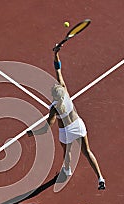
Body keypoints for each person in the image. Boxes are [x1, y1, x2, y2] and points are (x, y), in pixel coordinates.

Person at [27, 46, 106, 190]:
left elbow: (46, 128)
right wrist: (56, 53)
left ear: (53, 95)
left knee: (67, 150)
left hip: (66, 132)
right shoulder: (65, 92)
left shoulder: (54, 108)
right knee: (87, 152)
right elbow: (58, 68)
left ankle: (67, 170)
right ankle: (100, 178)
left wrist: (33, 132)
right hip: (78, 125)